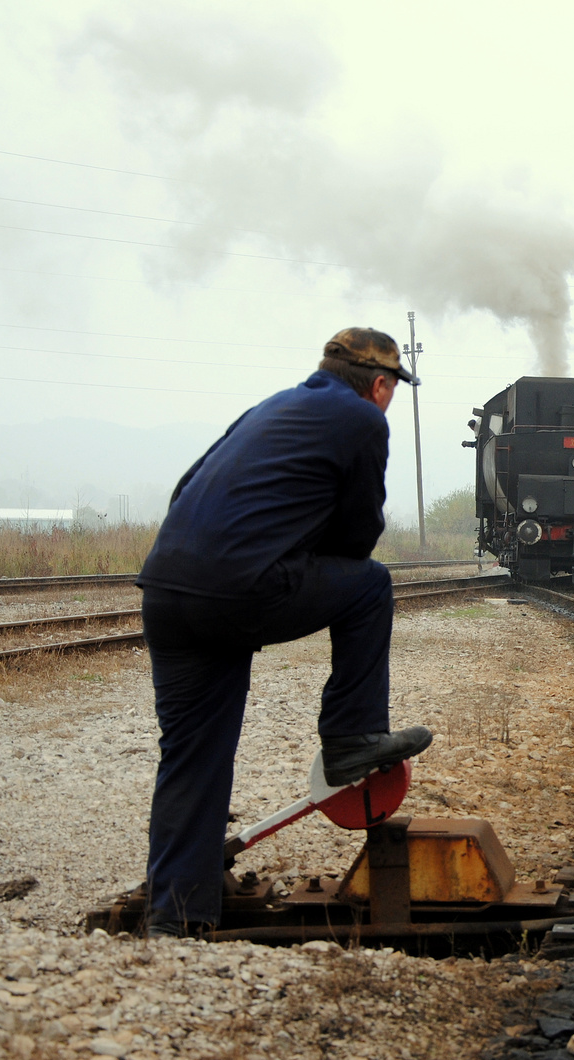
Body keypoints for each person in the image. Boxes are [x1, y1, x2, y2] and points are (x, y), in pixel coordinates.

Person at [135, 327, 433, 937]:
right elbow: (355, 538)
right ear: (381, 386)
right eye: (394, 388)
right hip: (240, 591)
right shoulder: (363, 420)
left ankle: (176, 916)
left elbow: (183, 489)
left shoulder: (269, 408)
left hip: (168, 589)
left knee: (192, 756)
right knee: (372, 585)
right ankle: (351, 737)